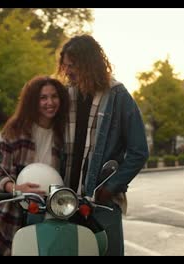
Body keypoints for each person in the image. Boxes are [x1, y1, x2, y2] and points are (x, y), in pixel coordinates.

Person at [57, 34, 149, 256]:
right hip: (64, 202)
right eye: (65, 65)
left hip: (100, 202)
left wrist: (110, 188)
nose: (67, 71)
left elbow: (139, 151)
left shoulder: (118, 96)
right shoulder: (65, 96)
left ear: (89, 64)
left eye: (73, 65)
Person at [0, 76, 70, 256]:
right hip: (9, 213)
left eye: (54, 96)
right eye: (43, 97)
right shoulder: (15, 131)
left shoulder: (64, 134)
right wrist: (17, 189)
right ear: (32, 101)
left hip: (48, 214)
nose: (50, 102)